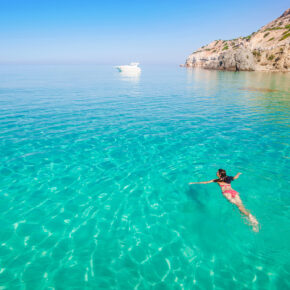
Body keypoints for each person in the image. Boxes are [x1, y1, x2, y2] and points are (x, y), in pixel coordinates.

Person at [189, 169, 259, 231]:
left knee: (239, 208)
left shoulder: (217, 180)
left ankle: (250, 219)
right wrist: (238, 173)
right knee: (241, 206)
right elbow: (235, 177)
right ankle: (251, 217)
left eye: (217, 172)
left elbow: (205, 182)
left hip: (227, 193)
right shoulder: (229, 178)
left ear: (219, 174)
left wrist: (194, 183)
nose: (216, 172)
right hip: (234, 192)